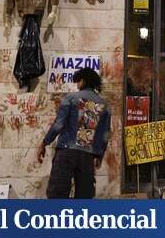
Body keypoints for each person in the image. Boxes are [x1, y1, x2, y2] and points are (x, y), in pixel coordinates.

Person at [36, 68, 111, 198]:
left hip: (66, 152)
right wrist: (100, 155)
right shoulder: (104, 105)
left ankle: (59, 218)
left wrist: (44, 143)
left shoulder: (71, 98)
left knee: (57, 195)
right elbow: (105, 134)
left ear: (83, 81)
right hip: (88, 156)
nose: (77, 85)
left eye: (78, 82)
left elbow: (59, 124)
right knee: (84, 198)